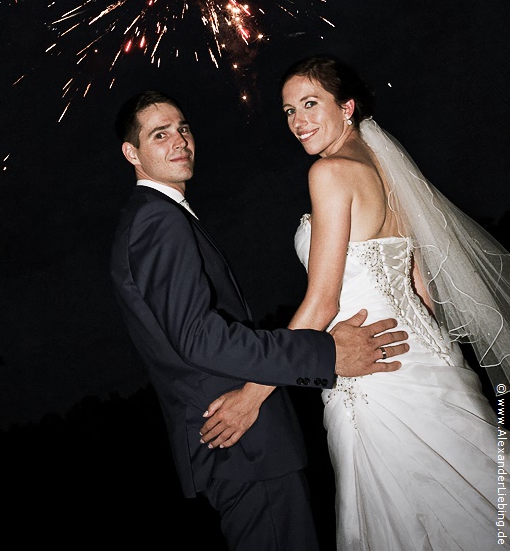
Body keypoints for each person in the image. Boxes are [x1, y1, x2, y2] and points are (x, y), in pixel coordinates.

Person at [200, 55, 510, 551]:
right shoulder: (385, 168)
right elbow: (420, 287)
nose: (298, 121)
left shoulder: (330, 173)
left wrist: (252, 395)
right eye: (287, 111)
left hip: (375, 374)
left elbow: (322, 304)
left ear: (346, 107)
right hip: (428, 359)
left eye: (310, 103)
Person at [109, 89, 409, 551]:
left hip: (236, 443)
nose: (180, 141)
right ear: (132, 153)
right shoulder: (156, 220)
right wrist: (327, 353)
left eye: (183, 128)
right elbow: (200, 339)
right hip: (239, 440)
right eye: (160, 135)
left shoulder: (157, 218)